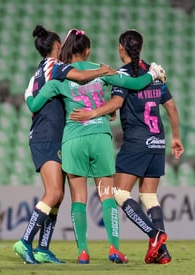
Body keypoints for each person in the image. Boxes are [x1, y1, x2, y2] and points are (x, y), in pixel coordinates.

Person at [25, 28, 166, 264]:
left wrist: (29, 94)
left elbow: (35, 103)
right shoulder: (103, 71)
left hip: (73, 140)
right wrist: (153, 74)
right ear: (88, 50)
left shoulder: (60, 77)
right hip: (100, 136)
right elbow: (134, 83)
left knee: (78, 199)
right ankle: (114, 248)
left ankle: (82, 252)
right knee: (107, 196)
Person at [70, 29, 184, 264]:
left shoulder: (123, 75)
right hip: (158, 140)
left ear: (121, 48)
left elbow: (116, 102)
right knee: (149, 196)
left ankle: (155, 235)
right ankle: (162, 252)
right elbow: (171, 107)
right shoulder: (154, 73)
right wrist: (176, 138)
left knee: (119, 194)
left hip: (136, 142)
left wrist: (94, 112)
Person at [13, 25, 117, 265]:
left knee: (58, 197)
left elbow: (31, 101)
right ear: (57, 46)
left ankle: (43, 249)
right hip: (47, 135)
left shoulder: (37, 74)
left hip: (48, 134)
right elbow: (80, 77)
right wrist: (105, 71)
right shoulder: (56, 66)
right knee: (55, 193)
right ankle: (25, 241)